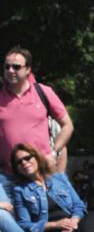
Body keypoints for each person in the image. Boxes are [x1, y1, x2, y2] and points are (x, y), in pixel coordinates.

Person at [9, 143, 94, 232]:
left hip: (74, 224)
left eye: (27, 158)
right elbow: (25, 224)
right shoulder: (20, 190)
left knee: (93, 217)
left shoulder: (59, 178)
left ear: (37, 157)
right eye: (19, 162)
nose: (24, 163)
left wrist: (73, 221)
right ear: (16, 168)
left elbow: (79, 205)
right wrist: (56, 225)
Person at [1, 46, 74, 183]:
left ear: (28, 69)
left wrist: (54, 153)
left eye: (16, 67)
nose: (10, 71)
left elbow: (67, 125)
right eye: (7, 67)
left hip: (42, 175)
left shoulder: (44, 92)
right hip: (8, 176)